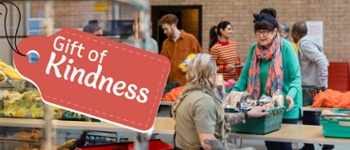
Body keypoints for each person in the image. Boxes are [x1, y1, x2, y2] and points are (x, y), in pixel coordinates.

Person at [231, 13, 302, 150]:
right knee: (270, 143)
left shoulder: (286, 48)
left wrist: (290, 95)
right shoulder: (254, 49)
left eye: (266, 32)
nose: (262, 36)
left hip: (286, 105)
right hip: (266, 105)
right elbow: (245, 76)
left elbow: (296, 78)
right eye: (258, 32)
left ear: (275, 31)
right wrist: (234, 92)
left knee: (284, 145)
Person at [172, 53, 268, 150]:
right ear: (211, 74)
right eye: (215, 72)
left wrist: (248, 114)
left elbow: (217, 118)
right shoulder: (204, 101)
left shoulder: (187, 93)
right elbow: (207, 142)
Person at [291, 22, 333, 150]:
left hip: (310, 86)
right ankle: (309, 145)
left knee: (309, 115)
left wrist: (323, 83)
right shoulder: (309, 42)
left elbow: (322, 60)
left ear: (295, 33)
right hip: (310, 85)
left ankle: (325, 143)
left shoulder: (304, 44)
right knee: (308, 116)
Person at [158, 14, 202, 86]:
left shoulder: (191, 39)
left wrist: (190, 66)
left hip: (187, 83)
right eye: (163, 29)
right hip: (170, 83)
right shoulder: (165, 43)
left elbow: (200, 58)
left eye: (166, 29)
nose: (164, 32)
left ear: (173, 26)